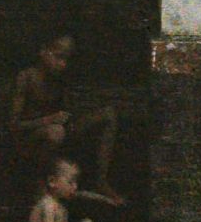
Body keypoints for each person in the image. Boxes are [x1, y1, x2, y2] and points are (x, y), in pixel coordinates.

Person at [10, 34, 124, 204]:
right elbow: (15, 125)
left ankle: (100, 180)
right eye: (58, 57)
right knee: (55, 132)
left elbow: (68, 113)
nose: (63, 64)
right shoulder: (26, 77)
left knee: (108, 114)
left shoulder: (59, 78)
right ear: (43, 51)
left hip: (60, 131)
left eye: (67, 59)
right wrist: (49, 120)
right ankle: (42, 185)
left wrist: (71, 116)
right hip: (31, 138)